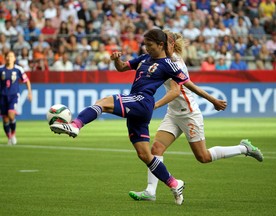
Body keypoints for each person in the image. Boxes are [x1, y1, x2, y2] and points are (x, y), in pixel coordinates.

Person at [49, 29, 227, 205]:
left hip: (143, 101)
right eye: (145, 45)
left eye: (150, 45)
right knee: (145, 154)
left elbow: (189, 85)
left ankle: (75, 125)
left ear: (161, 45)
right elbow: (122, 68)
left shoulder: (170, 64)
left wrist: (213, 100)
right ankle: (174, 183)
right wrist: (117, 60)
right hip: (139, 107)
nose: (147, 48)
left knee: (103, 102)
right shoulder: (144, 58)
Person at [127, 30, 264, 202]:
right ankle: (150, 191)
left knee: (203, 157)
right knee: (156, 149)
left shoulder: (175, 62)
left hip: (189, 114)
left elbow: (176, 91)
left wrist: (153, 105)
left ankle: (244, 149)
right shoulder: (160, 60)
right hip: (173, 114)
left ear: (168, 44)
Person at [0, 51, 32, 145]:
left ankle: (13, 134)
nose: (9, 58)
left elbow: (26, 81)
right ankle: (9, 137)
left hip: (13, 96)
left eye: (11, 56)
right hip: (2, 96)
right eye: (8, 56)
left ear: (14, 58)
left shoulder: (18, 69)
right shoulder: (1, 69)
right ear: (5, 58)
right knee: (5, 119)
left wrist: (29, 92)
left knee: (11, 115)